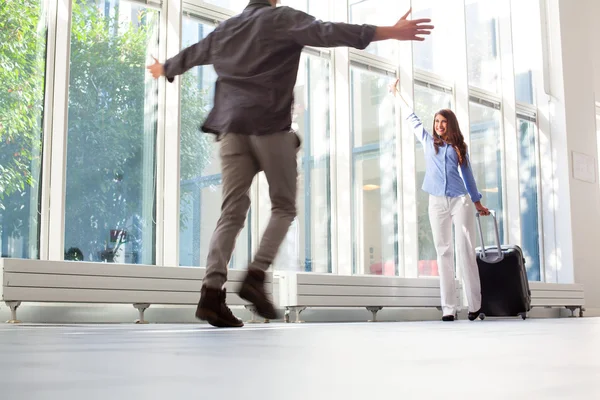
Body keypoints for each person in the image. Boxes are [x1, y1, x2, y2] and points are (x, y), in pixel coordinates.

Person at [147, 0, 434, 328]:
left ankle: (211, 294)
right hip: (268, 123)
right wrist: (390, 32)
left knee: (231, 212)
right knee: (283, 206)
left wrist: (165, 68)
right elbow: (327, 31)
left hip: (230, 128)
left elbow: (195, 52)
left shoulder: (227, 29)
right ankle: (255, 276)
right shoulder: (280, 18)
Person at [390, 79, 490, 322]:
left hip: (460, 201)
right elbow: (411, 117)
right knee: (443, 252)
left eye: (443, 122)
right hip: (436, 202)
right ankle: (448, 308)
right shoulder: (427, 142)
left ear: (450, 125)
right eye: (436, 121)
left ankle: (475, 305)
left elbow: (468, 176)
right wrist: (396, 94)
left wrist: (476, 202)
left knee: (465, 250)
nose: (439, 125)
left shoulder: (459, 148)